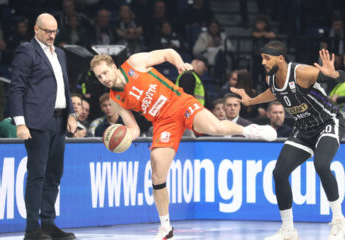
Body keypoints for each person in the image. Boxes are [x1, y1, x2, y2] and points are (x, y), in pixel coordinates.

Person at [90, 48, 277, 240]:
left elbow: (167, 53)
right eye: (99, 76)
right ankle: (165, 227)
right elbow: (134, 128)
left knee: (214, 127)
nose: (103, 78)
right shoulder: (115, 98)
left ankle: (251, 130)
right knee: (157, 175)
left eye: (105, 72)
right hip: (163, 123)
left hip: (178, 102)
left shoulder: (134, 63)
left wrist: (179, 63)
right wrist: (124, 138)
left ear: (113, 66)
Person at [231, 41, 345, 240]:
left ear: (281, 58)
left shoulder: (302, 73)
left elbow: (340, 78)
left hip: (327, 122)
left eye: (267, 58)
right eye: (262, 58)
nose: (263, 62)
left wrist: (334, 73)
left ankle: (338, 220)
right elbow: (274, 92)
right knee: (279, 173)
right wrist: (251, 101)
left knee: (321, 164)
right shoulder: (271, 79)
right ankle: (288, 230)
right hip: (303, 129)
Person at [8, 13, 77, 240]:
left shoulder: (60, 54)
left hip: (59, 122)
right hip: (37, 123)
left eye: (55, 31)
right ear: (36, 30)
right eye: (47, 31)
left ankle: (48, 224)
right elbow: (16, 88)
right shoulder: (27, 51)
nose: (51, 35)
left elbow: (65, 86)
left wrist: (72, 114)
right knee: (37, 175)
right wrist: (20, 122)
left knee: (54, 175)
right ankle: (32, 228)